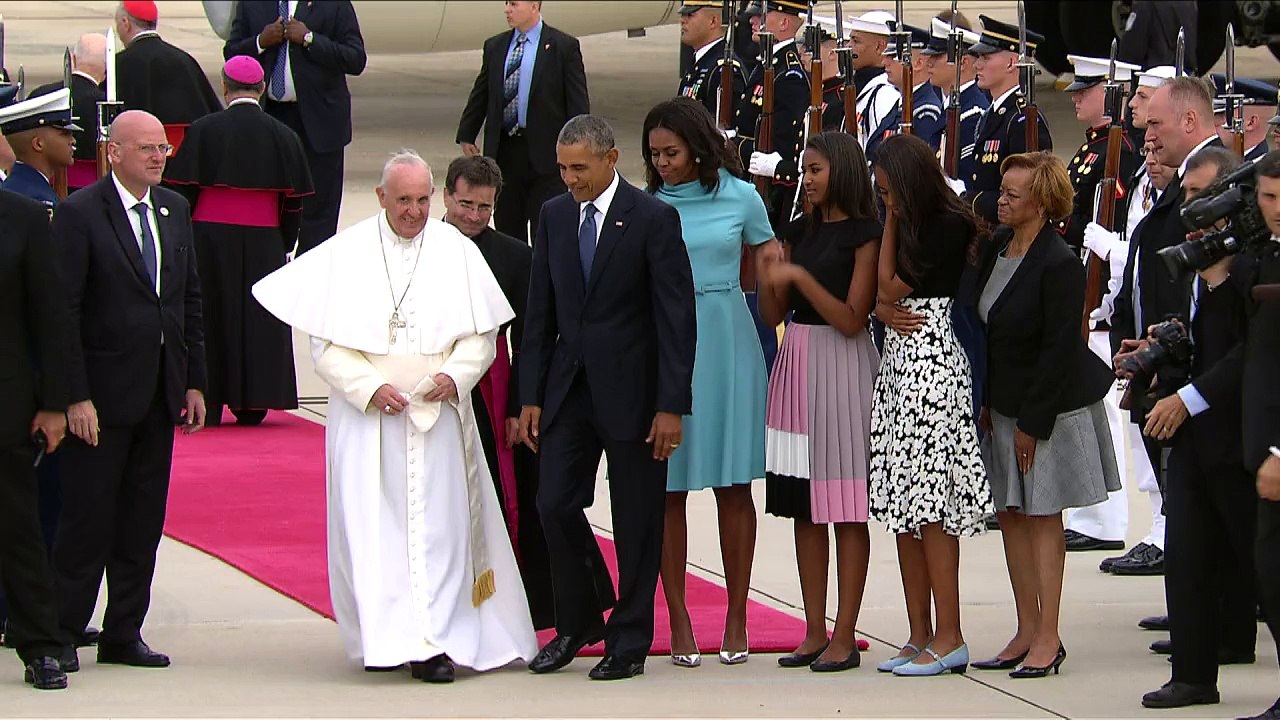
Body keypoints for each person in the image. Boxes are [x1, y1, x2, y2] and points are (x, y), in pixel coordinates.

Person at [251, 150, 538, 684]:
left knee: (443, 533)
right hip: (370, 422)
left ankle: (439, 639)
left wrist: (455, 375)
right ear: (381, 197)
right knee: (376, 532)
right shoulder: (349, 252)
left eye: (423, 200)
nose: (414, 211)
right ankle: (391, 637)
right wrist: (370, 388)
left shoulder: (457, 250)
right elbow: (326, 346)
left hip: (439, 416)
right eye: (403, 199)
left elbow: (483, 337)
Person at [518, 115, 696, 681]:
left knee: (636, 520)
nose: (570, 179)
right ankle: (577, 622)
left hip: (636, 398)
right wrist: (530, 395)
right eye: (562, 168)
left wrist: (671, 405)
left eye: (579, 168)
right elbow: (540, 311)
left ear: (611, 159)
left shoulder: (653, 219)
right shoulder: (553, 215)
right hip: (568, 391)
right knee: (553, 503)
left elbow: (676, 318)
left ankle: (630, 640)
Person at [52, 110, 207, 670]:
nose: (157, 157)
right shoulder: (80, 213)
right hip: (101, 398)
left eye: (162, 148)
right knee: (87, 521)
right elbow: (64, 312)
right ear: (113, 152)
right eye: (145, 148)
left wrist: (194, 381)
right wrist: (75, 395)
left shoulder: (173, 210)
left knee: (141, 523)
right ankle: (63, 631)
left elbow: (187, 300)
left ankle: (124, 631)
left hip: (159, 393)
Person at [438, 154, 614, 632]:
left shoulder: (516, 256)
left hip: (494, 387)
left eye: (485, 208)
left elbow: (532, 336)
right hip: (431, 386)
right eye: (466, 205)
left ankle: (534, 605)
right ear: (446, 196)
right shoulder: (422, 248)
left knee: (516, 493)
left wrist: (521, 404)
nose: (474, 216)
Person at [973, 152, 1120, 679]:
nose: (1001, 201)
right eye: (1002, 191)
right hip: (1003, 406)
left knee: (1041, 517)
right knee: (1011, 516)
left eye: (1012, 195)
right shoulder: (997, 248)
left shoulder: (1059, 263)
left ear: (1040, 203)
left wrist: (1032, 426)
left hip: (1049, 409)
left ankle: (1048, 636)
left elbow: (1059, 348)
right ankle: (1025, 628)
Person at [643, 98, 778, 668]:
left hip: (727, 342)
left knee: (733, 485)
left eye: (671, 153)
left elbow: (769, 262)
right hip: (667, 344)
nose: (662, 163)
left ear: (698, 149)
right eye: (654, 154)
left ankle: (737, 614)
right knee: (667, 489)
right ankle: (677, 617)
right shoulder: (647, 204)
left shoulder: (742, 196)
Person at [1135, 146, 1260, 710]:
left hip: (1242, 434)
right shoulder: (1191, 260)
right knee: (1186, 554)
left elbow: (1249, 352)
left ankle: (1235, 638)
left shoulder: (1255, 266)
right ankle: (1192, 674)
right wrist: (1157, 351)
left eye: (1202, 196)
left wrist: (1188, 398)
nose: (1190, 208)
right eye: (1186, 194)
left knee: (1258, 560)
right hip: (1192, 437)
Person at [868, 133, 991, 676]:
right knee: (903, 507)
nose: (885, 199)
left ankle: (950, 634)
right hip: (899, 364)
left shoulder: (945, 225)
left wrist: (892, 224)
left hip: (934, 363)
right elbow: (883, 299)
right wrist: (880, 305)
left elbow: (889, 289)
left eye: (889, 190)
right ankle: (918, 632)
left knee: (931, 508)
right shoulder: (914, 222)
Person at [759, 131, 879, 673]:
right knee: (804, 507)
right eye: (804, 170)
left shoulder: (865, 234)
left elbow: (853, 319)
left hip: (842, 365)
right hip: (797, 360)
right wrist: (770, 275)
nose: (806, 179)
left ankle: (845, 634)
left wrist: (800, 277)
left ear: (843, 171)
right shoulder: (797, 231)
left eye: (816, 170)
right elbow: (773, 315)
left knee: (845, 506)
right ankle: (813, 628)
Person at [165, 56, 314, 427]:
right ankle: (254, 402)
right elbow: (293, 203)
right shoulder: (284, 135)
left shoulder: (203, 130)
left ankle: (208, 398)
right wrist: (283, 242)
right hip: (265, 241)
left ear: (224, 86)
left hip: (208, 240)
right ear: (262, 89)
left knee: (209, 316)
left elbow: (182, 194)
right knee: (256, 320)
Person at [1082, 65, 1176, 574]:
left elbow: (1156, 256)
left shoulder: (1168, 175)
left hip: (1160, 327)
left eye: (1142, 98)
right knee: (1143, 436)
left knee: (1157, 439)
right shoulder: (1144, 169)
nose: (1133, 106)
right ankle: (1160, 530)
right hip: (1132, 319)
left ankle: (1164, 533)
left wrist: (1112, 250)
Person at [0, 187, 74, 691]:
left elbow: (51, 317)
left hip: (7, 402)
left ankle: (41, 646)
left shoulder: (23, 218)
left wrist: (53, 404)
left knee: (18, 529)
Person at [223, 0, 366, 256]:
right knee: (271, 202)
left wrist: (310, 39)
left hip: (320, 122)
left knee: (320, 210)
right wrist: (260, 41)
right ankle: (273, 267)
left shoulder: (334, 5)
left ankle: (312, 270)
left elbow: (355, 59)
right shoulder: (251, 4)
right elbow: (231, 53)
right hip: (272, 119)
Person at [456, 0, 589, 246]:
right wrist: (467, 133)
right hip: (505, 153)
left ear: (534, 6)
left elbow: (577, 104)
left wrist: (578, 148)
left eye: (514, 4)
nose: (507, 9)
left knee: (545, 231)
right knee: (507, 230)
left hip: (547, 156)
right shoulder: (495, 46)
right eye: (506, 3)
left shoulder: (563, 47)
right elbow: (481, 93)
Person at [1241, 150, 1280, 720]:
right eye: (1268, 197)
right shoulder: (1267, 254)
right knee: (1269, 572)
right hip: (1263, 443)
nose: (1276, 208)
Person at [964, 16, 1053, 226]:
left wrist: (967, 199)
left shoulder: (1023, 121)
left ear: (1012, 63)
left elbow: (1025, 196)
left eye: (985, 58)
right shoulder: (994, 114)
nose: (977, 65)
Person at [114, 0, 221, 156]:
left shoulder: (119, 63)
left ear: (126, 23)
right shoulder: (183, 60)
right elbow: (210, 114)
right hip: (186, 158)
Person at [29, 33, 105, 192]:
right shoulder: (104, 104)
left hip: (41, 186)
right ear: (107, 69)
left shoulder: (40, 95)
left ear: (74, 59)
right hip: (92, 190)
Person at [921, 13, 987, 188]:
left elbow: (967, 181)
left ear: (963, 63)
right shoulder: (947, 105)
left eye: (937, 56)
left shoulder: (973, 115)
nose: (929, 62)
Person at [0, 88, 78, 215]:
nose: (72, 141)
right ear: (38, 144)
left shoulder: (19, 187)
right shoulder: (38, 200)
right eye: (65, 134)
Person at [677, 0, 747, 126]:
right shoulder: (700, 62)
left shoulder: (723, 70)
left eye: (690, 15)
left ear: (713, 21)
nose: (683, 20)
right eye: (683, 15)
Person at [877, 25, 944, 155]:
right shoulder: (902, 103)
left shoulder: (925, 112)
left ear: (919, 63)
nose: (884, 62)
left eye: (894, 56)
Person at [845, 11, 902, 156]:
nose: (848, 46)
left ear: (880, 47)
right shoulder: (862, 85)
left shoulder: (885, 94)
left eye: (856, 41)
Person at [1117, 1, 1198, 73]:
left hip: (1152, 76)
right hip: (1183, 75)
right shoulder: (1190, 4)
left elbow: (1129, 53)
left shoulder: (1144, 5)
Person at [1209, 75, 1276, 161]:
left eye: (1222, 114)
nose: (1214, 121)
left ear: (1251, 122)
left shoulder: (1262, 168)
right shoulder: (1216, 161)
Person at [797, 25, 846, 132]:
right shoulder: (815, 91)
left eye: (811, 48)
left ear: (832, 53)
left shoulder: (839, 99)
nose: (801, 51)